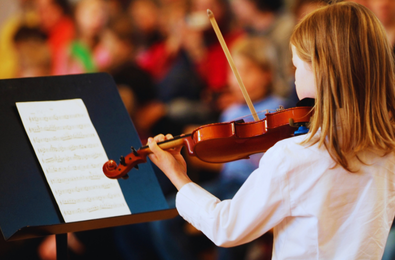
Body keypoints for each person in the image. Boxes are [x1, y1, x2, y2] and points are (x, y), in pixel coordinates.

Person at [146, 2, 395, 259]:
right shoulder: (388, 149)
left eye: (296, 66)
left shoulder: (293, 157)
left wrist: (178, 176)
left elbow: (226, 227)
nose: (294, 77)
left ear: (323, 72)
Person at [150, 36, 284, 260]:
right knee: (163, 215)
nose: (238, 78)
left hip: (253, 185)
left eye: (248, 71)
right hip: (226, 183)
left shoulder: (277, 109)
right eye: (234, 71)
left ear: (267, 74)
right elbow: (223, 163)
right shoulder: (230, 113)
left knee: (229, 225)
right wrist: (196, 145)